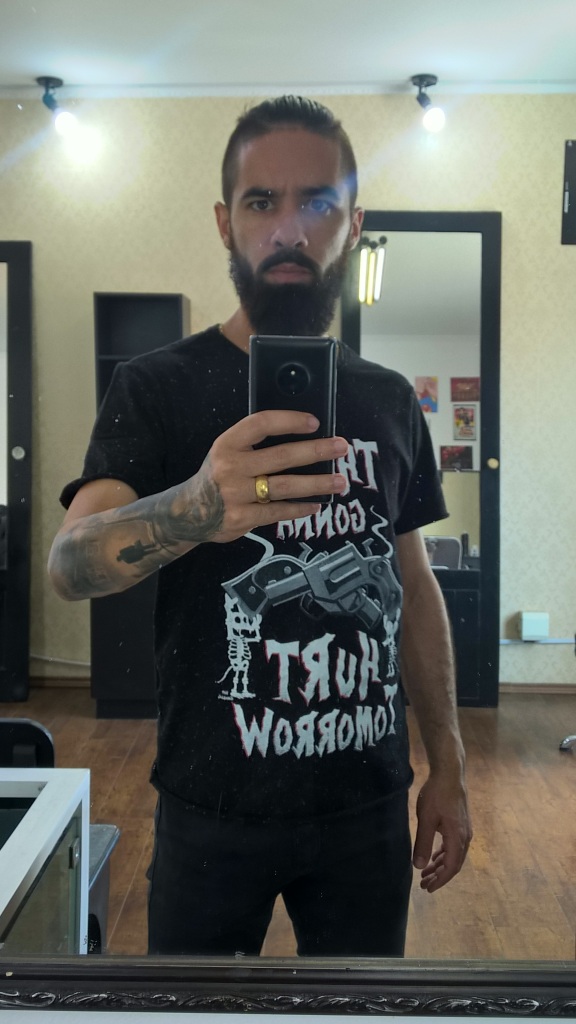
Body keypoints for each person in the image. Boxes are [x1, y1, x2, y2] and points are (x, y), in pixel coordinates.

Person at [48, 95, 472, 958]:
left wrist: (451, 766)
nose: (289, 229)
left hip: (366, 804)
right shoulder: (154, 385)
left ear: (354, 226)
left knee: (359, 1014)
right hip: (211, 805)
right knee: (197, 1015)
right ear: (225, 222)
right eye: (260, 201)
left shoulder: (391, 400)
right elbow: (70, 563)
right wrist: (196, 506)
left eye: (318, 202)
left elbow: (413, 586)